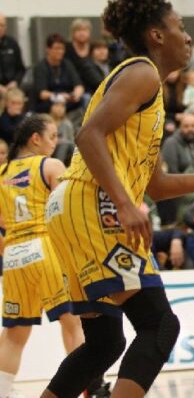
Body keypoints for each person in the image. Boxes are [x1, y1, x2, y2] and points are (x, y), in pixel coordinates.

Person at [39, 0, 194, 398]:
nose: (188, 37)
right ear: (158, 35)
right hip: (94, 202)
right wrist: (125, 204)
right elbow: (88, 135)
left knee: (104, 344)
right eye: (181, 27)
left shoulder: (149, 95)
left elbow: (157, 187)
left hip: (72, 207)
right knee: (159, 324)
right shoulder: (142, 72)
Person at [0, 115, 85, 398]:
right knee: (73, 323)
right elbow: (67, 210)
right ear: (35, 138)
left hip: (13, 255)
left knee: (14, 334)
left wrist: (9, 247)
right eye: (52, 136)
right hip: (46, 246)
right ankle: (89, 389)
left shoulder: (2, 173)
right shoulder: (50, 165)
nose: (55, 142)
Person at [32, 33, 85, 121]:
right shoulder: (41, 67)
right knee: (56, 106)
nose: (60, 51)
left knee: (84, 99)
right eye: (57, 48)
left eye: (62, 49)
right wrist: (60, 96)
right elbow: (42, 93)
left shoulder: (67, 64)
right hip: (50, 101)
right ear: (48, 49)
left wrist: (76, 94)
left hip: (68, 100)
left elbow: (78, 85)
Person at [0, 13, 26, 92]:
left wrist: (15, 82)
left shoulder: (12, 43)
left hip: (11, 88)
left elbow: (21, 69)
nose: (0, 28)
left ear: (6, 27)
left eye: (2, 25)